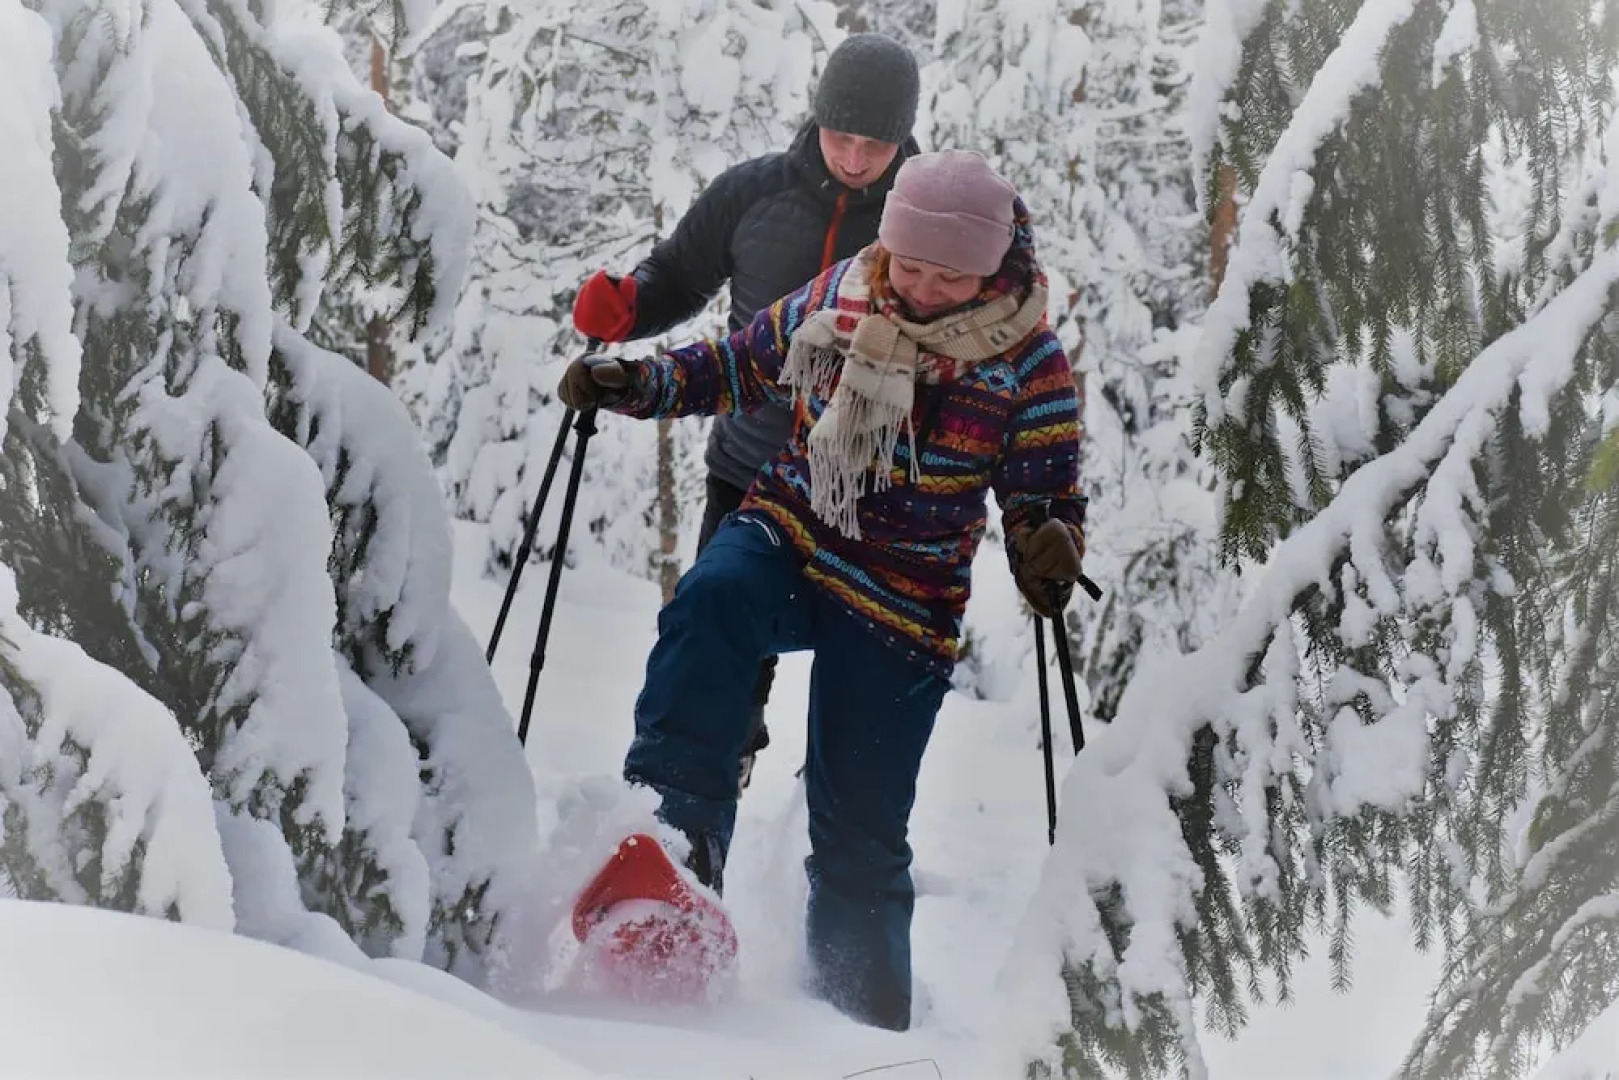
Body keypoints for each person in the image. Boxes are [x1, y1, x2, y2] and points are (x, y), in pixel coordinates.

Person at [556, 150, 1089, 1032]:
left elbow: (1044, 489)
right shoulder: (846, 291)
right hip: (798, 526)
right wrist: (636, 383)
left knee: (859, 839)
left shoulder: (1028, 360)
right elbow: (739, 368)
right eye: (908, 263)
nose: (917, 287)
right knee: (711, 599)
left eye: (946, 275)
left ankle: (856, 1021)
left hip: (906, 593)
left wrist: (1046, 542)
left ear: (991, 267)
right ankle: (674, 864)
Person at [569, 32, 923, 795]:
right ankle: (706, 797)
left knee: (860, 692)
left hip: (875, 491)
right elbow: (678, 273)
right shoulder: (751, 194)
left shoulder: (925, 217)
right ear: (815, 119)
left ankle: (826, 821)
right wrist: (629, 307)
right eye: (842, 136)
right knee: (718, 658)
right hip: (749, 472)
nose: (856, 157)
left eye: (876, 143)